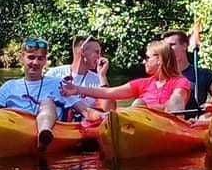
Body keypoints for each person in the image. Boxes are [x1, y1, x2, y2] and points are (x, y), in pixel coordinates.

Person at [63, 39, 192, 114]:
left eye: (147, 57)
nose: (143, 61)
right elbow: (109, 92)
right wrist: (77, 89)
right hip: (145, 125)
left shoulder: (180, 82)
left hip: (169, 123)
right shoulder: (143, 83)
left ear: (160, 60)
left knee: (172, 101)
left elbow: (176, 101)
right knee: (138, 103)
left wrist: (152, 108)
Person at [47, 34, 107, 122]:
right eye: (97, 52)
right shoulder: (53, 74)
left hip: (83, 129)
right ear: (83, 52)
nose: (99, 57)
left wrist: (102, 76)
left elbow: (108, 109)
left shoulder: (98, 79)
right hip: (56, 127)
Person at [165, 29, 212, 107]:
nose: (168, 49)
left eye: (172, 45)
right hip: (167, 117)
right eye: (166, 46)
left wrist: (211, 105)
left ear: (185, 46)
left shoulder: (204, 75)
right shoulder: (161, 75)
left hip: (196, 117)